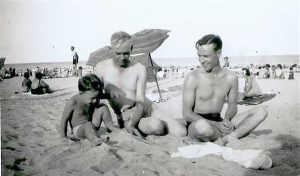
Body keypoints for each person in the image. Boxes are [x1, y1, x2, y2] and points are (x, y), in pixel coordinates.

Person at [94, 31, 186, 137]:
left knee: (181, 133)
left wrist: (132, 124)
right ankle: (168, 122)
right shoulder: (101, 68)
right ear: (112, 49)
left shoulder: (139, 68)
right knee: (157, 126)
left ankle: (172, 122)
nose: (122, 57)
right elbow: (94, 97)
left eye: (126, 53)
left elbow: (141, 102)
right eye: (118, 53)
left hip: (148, 107)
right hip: (127, 113)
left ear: (131, 48)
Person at [182, 34, 268, 145]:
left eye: (206, 56)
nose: (201, 60)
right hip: (197, 122)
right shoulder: (193, 77)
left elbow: (232, 105)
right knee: (204, 128)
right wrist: (217, 125)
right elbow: (186, 113)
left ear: (219, 53)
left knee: (261, 111)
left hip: (220, 120)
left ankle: (228, 137)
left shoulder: (231, 77)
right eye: (199, 56)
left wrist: (227, 119)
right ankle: (232, 134)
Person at [61, 74, 119, 146]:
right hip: (79, 130)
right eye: (93, 98)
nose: (96, 100)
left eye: (98, 97)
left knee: (103, 107)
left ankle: (111, 127)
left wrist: (113, 94)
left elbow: (105, 95)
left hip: (92, 125)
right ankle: (95, 140)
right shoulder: (73, 102)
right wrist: (64, 137)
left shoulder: (92, 95)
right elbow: (64, 120)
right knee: (87, 125)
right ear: (81, 92)